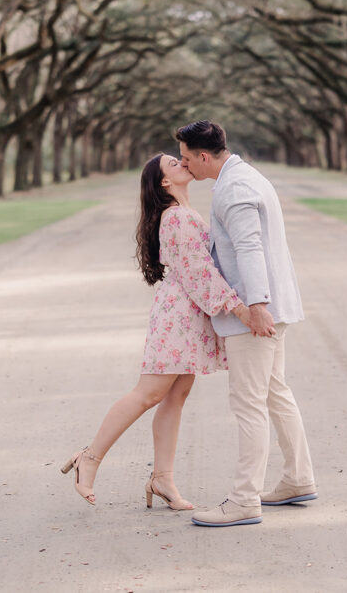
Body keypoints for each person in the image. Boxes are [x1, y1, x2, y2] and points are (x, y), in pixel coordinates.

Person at [61, 153, 253, 510]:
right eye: (173, 163)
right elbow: (199, 273)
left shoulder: (181, 214)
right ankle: (90, 457)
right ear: (164, 182)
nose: (182, 162)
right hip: (177, 319)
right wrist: (238, 307)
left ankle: (162, 479)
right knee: (148, 393)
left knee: (176, 394)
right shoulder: (178, 217)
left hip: (187, 317)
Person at [177, 120, 317, 528]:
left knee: (248, 402)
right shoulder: (245, 175)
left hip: (258, 311)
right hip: (276, 307)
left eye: (187, 159)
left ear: (204, 156)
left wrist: (255, 305)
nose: (185, 166)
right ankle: (297, 478)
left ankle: (243, 500)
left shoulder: (235, 188)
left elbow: (249, 247)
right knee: (275, 392)